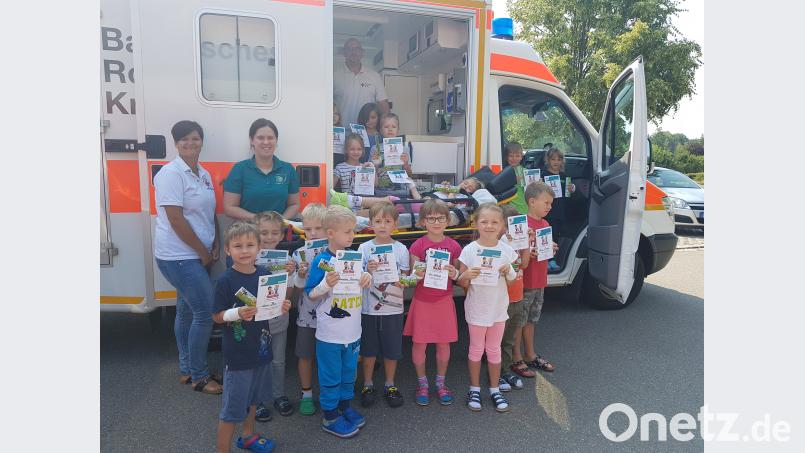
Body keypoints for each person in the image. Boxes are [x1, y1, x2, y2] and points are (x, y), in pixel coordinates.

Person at [154, 120, 222, 395]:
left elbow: (209, 212)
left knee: (185, 312)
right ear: (176, 143)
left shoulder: (202, 173)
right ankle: (199, 376)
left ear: (201, 141)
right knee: (205, 313)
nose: (190, 143)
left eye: (194, 138)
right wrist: (202, 252)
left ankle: (186, 369)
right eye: (183, 139)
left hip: (196, 253)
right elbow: (176, 219)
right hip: (179, 256)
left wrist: (216, 241)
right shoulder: (170, 174)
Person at [213, 222, 291, 453]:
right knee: (232, 409)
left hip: (261, 350)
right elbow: (216, 317)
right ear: (228, 250)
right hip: (238, 356)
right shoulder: (225, 281)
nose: (244, 250)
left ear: (259, 248)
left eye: (250, 245)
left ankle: (247, 436)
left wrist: (282, 305)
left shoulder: (265, 275)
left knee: (253, 400)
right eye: (238, 246)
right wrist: (237, 313)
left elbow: (269, 308)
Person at [304, 206, 372, 438]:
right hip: (330, 334)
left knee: (348, 373)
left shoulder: (354, 257)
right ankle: (330, 416)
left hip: (353, 331)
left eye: (353, 231)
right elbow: (311, 293)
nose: (352, 236)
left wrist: (367, 277)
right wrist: (326, 284)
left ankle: (344, 407)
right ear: (331, 233)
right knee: (330, 374)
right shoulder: (322, 260)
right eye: (347, 232)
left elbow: (365, 278)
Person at [455, 203, 519, 412]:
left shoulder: (506, 250)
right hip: (477, 309)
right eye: (484, 221)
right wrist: (466, 276)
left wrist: (509, 271)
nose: (489, 226)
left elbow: (512, 281)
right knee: (475, 349)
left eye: (494, 222)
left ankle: (494, 389)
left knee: (494, 350)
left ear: (502, 225)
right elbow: (461, 282)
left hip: (498, 309)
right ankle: (474, 388)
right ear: (476, 223)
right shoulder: (470, 250)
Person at [403, 199, 462, 407]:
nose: (436, 222)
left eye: (440, 218)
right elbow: (411, 278)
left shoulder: (453, 246)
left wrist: (455, 272)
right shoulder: (418, 245)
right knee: (419, 343)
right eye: (431, 218)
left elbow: (458, 275)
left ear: (448, 221)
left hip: (443, 301)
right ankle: (422, 384)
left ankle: (440, 383)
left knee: (443, 343)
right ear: (423, 222)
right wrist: (417, 274)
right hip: (422, 301)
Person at [356, 202, 410, 408]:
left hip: (393, 307)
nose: (382, 225)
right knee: (368, 349)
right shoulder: (364, 247)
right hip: (369, 307)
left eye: (387, 221)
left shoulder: (401, 249)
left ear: (395, 225)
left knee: (391, 349)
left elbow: (406, 276)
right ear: (370, 224)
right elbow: (358, 277)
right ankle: (368, 384)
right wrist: (367, 270)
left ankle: (390, 384)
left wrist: (402, 280)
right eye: (377, 221)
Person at [253, 212, 298, 422]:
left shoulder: (286, 261)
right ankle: (257, 400)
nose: (268, 237)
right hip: (255, 322)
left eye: (273, 233)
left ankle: (278, 394)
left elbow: (289, 296)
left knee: (278, 361)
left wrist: (289, 275)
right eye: (263, 233)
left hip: (279, 318)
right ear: (255, 233)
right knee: (258, 361)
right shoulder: (249, 258)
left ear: (281, 235)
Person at [517, 181, 559, 375]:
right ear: (532, 201)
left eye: (551, 204)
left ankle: (530, 355)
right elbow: (513, 252)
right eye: (547, 203)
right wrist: (526, 253)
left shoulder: (545, 224)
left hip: (539, 281)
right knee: (518, 321)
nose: (550, 207)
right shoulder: (521, 224)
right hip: (524, 282)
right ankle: (516, 358)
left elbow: (544, 250)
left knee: (531, 320)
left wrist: (551, 248)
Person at [290, 203, 328, 416]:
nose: (313, 233)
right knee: (305, 355)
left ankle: (328, 392)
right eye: (308, 228)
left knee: (327, 356)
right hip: (307, 315)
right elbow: (298, 286)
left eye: (318, 228)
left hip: (332, 314)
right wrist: (301, 274)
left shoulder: (335, 249)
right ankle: (306, 394)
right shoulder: (299, 253)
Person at [223, 118, 301, 222]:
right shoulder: (239, 169)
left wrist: (280, 221)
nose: (266, 142)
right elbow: (229, 208)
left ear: (276, 141)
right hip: (247, 234)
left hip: (277, 234)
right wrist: (258, 219)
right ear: (252, 140)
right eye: (260, 138)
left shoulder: (288, 169)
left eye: (270, 138)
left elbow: (294, 204)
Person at [498, 205, 536, 391]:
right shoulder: (501, 245)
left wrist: (526, 242)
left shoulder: (518, 245)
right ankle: (497, 375)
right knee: (499, 340)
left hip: (517, 296)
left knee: (509, 339)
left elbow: (526, 263)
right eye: (509, 226)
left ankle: (504, 372)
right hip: (502, 299)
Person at [334, 38, 390, 127]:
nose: (353, 52)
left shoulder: (374, 76)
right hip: (342, 132)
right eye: (349, 49)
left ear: (362, 53)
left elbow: (383, 105)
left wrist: (386, 127)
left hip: (367, 133)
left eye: (357, 49)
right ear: (344, 53)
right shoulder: (334, 76)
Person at [371, 113, 414, 198]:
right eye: (386, 127)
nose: (390, 129)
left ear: (398, 130)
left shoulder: (404, 148)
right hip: (380, 192)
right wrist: (375, 164)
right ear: (380, 130)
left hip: (401, 192)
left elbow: (409, 175)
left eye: (393, 127)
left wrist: (405, 163)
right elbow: (371, 174)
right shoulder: (375, 148)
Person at [504, 142, 529, 215]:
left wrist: (537, 182)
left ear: (521, 157)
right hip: (509, 208)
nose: (514, 158)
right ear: (506, 157)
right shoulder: (503, 172)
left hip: (524, 207)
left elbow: (532, 189)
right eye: (511, 156)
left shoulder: (526, 171)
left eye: (517, 156)